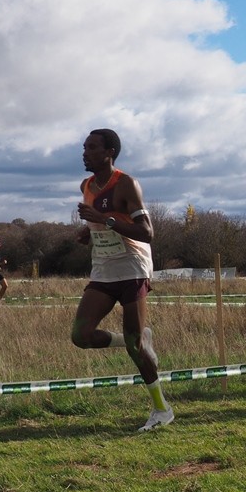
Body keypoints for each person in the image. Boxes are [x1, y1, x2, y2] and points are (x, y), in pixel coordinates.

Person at [72, 128, 173, 432]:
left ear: (109, 153)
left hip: (132, 265)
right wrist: (89, 232)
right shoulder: (86, 185)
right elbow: (100, 225)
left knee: (135, 346)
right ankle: (137, 339)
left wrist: (104, 219)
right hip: (103, 268)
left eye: (91, 148)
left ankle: (161, 409)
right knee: (81, 335)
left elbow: (147, 233)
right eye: (84, 147)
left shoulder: (126, 184)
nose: (84, 153)